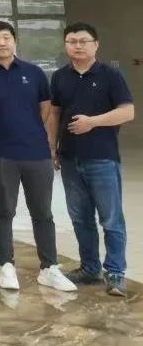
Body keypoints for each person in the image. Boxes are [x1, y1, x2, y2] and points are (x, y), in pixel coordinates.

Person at [0, 20, 76, 292]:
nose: (2, 42)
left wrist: (32, 132)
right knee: (4, 210)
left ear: (14, 40)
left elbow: (46, 108)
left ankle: (49, 267)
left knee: (42, 212)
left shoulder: (34, 72)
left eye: (6, 37)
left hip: (36, 153)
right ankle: (6, 265)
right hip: (2, 153)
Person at [51, 21, 135, 297]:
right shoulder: (60, 76)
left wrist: (93, 122)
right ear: (66, 45)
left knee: (111, 219)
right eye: (72, 41)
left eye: (83, 41)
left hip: (102, 158)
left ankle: (115, 273)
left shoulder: (111, 75)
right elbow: (55, 114)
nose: (77, 46)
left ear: (95, 45)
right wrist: (52, 147)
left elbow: (128, 112)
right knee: (80, 218)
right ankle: (89, 269)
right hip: (69, 159)